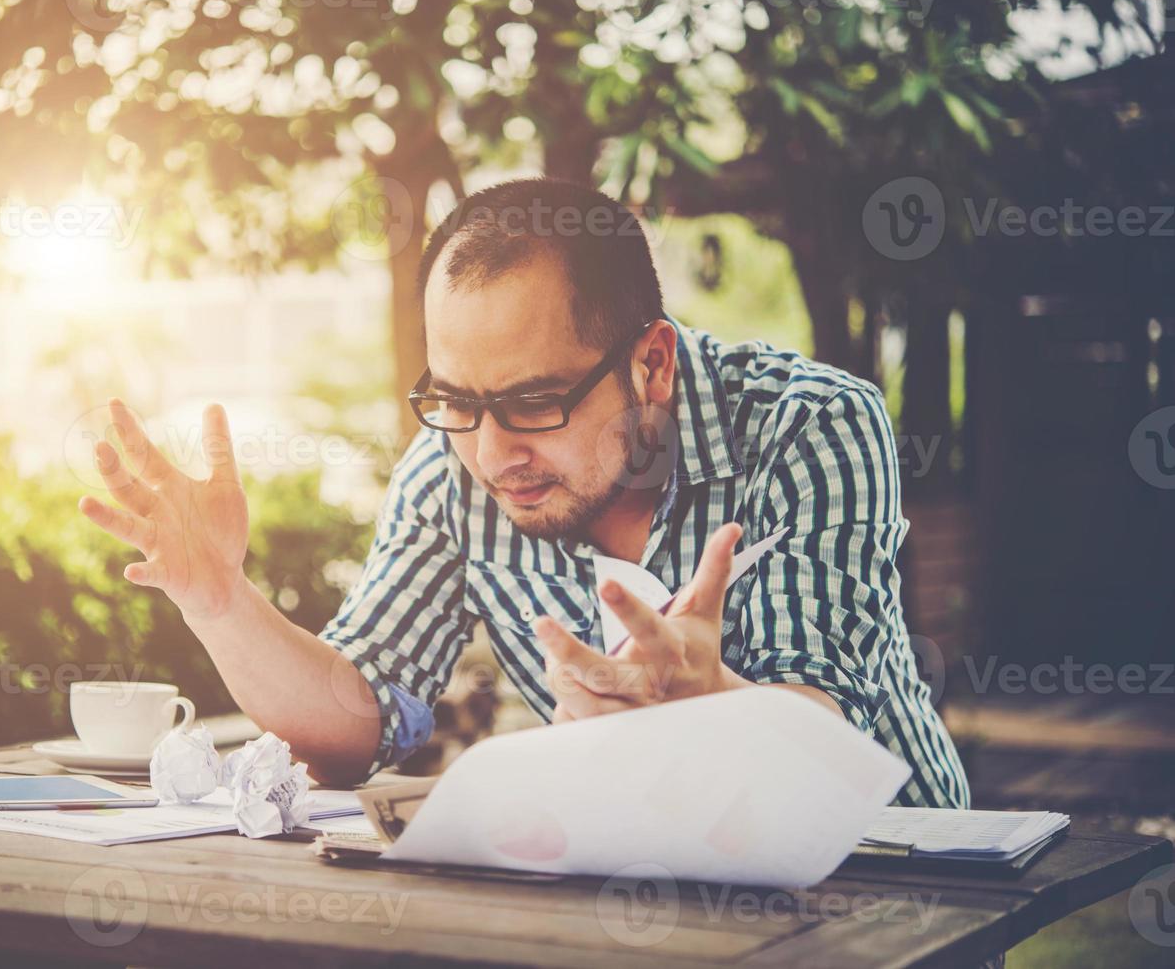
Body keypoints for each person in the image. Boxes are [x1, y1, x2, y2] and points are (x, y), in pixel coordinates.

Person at [78, 177, 969, 807]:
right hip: (644, 888)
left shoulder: (806, 423)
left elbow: (818, 719)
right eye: (456, 401)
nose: (493, 451)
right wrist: (222, 601)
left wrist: (708, 705)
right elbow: (357, 720)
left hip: (899, 882)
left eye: (535, 402)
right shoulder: (449, 468)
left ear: (651, 362)